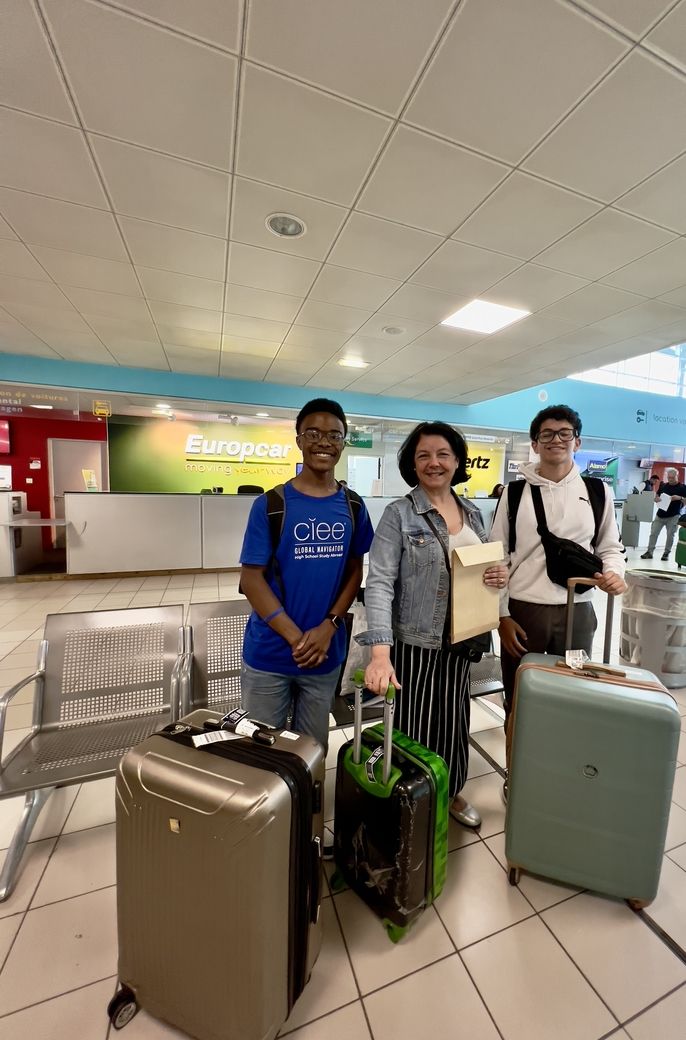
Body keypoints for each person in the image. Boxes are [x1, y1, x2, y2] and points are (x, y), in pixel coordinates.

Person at [358, 421, 508, 829]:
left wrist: (499, 576)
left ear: (457, 460)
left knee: (454, 720)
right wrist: (380, 653)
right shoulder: (399, 515)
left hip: (463, 640)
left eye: (443, 454)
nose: (434, 463)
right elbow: (380, 583)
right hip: (416, 642)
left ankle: (452, 790)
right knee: (416, 724)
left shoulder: (475, 513)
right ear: (412, 463)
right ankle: (417, 800)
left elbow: (488, 570)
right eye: (423, 455)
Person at [490, 404, 627, 798]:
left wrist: (615, 572)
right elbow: (497, 556)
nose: (556, 440)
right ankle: (516, 775)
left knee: (575, 690)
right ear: (535, 444)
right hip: (524, 613)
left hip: (578, 615)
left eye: (564, 433)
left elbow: (610, 546)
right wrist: (501, 614)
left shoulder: (598, 492)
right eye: (547, 434)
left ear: (577, 442)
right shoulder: (515, 494)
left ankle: (563, 771)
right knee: (520, 696)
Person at [239, 398, 374, 754]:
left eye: (334, 435)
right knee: (262, 753)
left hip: (325, 654)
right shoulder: (270, 505)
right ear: (299, 439)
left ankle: (308, 812)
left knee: (312, 752)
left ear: (343, 443)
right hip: (271, 653)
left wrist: (328, 627)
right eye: (313, 433)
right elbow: (252, 579)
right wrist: (298, 638)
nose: (324, 442)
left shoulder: (353, 506)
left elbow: (354, 570)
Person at [641, 467, 686, 561]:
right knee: (653, 533)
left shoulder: (683, 488)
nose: (670, 480)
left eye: (672, 478)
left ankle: (666, 553)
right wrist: (656, 499)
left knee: (670, 535)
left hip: (674, 515)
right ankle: (649, 551)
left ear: (677, 477)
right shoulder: (663, 486)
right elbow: (657, 495)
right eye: (669, 477)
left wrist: (680, 498)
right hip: (660, 514)